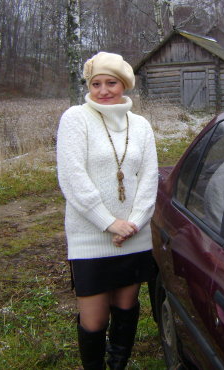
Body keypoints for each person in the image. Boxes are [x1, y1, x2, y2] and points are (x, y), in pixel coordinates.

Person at [56, 52, 158, 370]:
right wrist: (109, 222)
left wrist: (135, 222)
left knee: (126, 307)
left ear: (124, 84)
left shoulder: (141, 125)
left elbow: (149, 177)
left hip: (134, 235)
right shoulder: (76, 118)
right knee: (94, 319)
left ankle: (118, 364)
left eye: (111, 83)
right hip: (90, 235)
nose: (103, 91)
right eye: (96, 83)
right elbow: (72, 178)